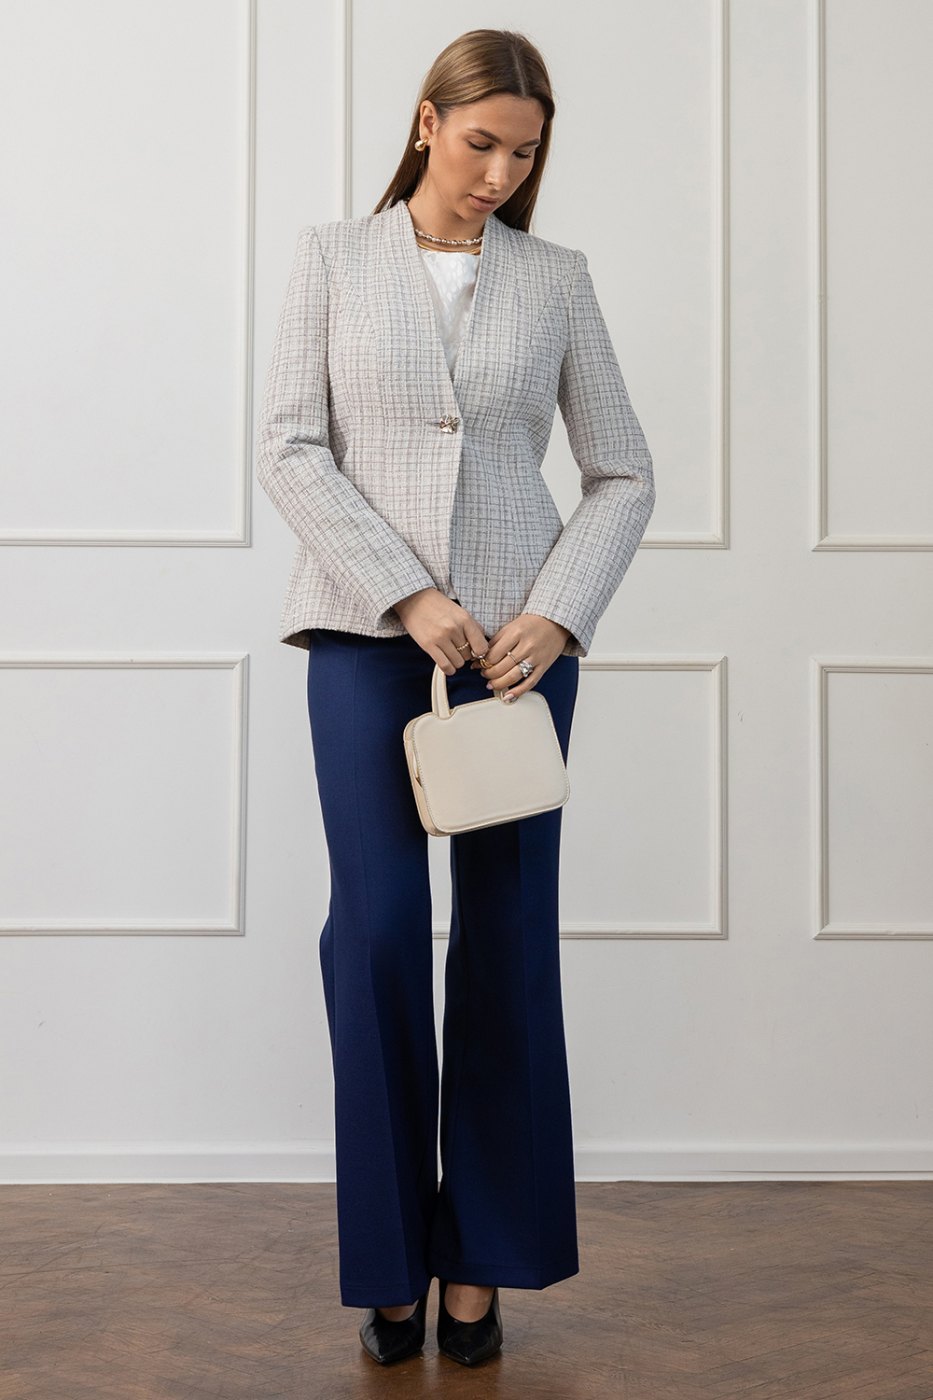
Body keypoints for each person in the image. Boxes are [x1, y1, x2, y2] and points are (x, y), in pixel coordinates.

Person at [256, 27, 656, 1369]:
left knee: (506, 942)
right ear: (426, 122)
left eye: (524, 154)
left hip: (517, 658)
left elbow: (622, 469)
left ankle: (482, 1262)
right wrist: (405, 595)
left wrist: (558, 611)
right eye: (481, 143)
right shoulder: (332, 259)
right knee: (374, 938)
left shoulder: (555, 280)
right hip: (369, 637)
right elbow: (289, 446)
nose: (499, 174)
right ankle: (388, 1265)